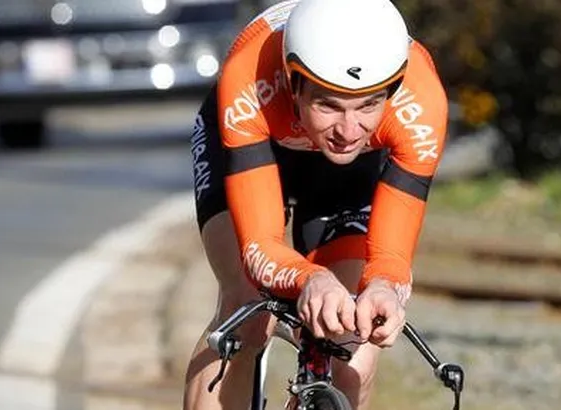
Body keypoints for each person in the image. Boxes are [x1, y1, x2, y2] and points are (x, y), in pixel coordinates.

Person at [184, 0, 448, 408]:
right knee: (248, 308)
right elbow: (259, 247)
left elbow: (391, 256)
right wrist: (310, 279)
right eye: (328, 104)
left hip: (349, 175)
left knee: (355, 342)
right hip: (257, 146)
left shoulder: (423, 102)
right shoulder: (250, 76)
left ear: (392, 91)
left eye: (367, 106)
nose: (347, 129)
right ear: (294, 82)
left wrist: (384, 288)